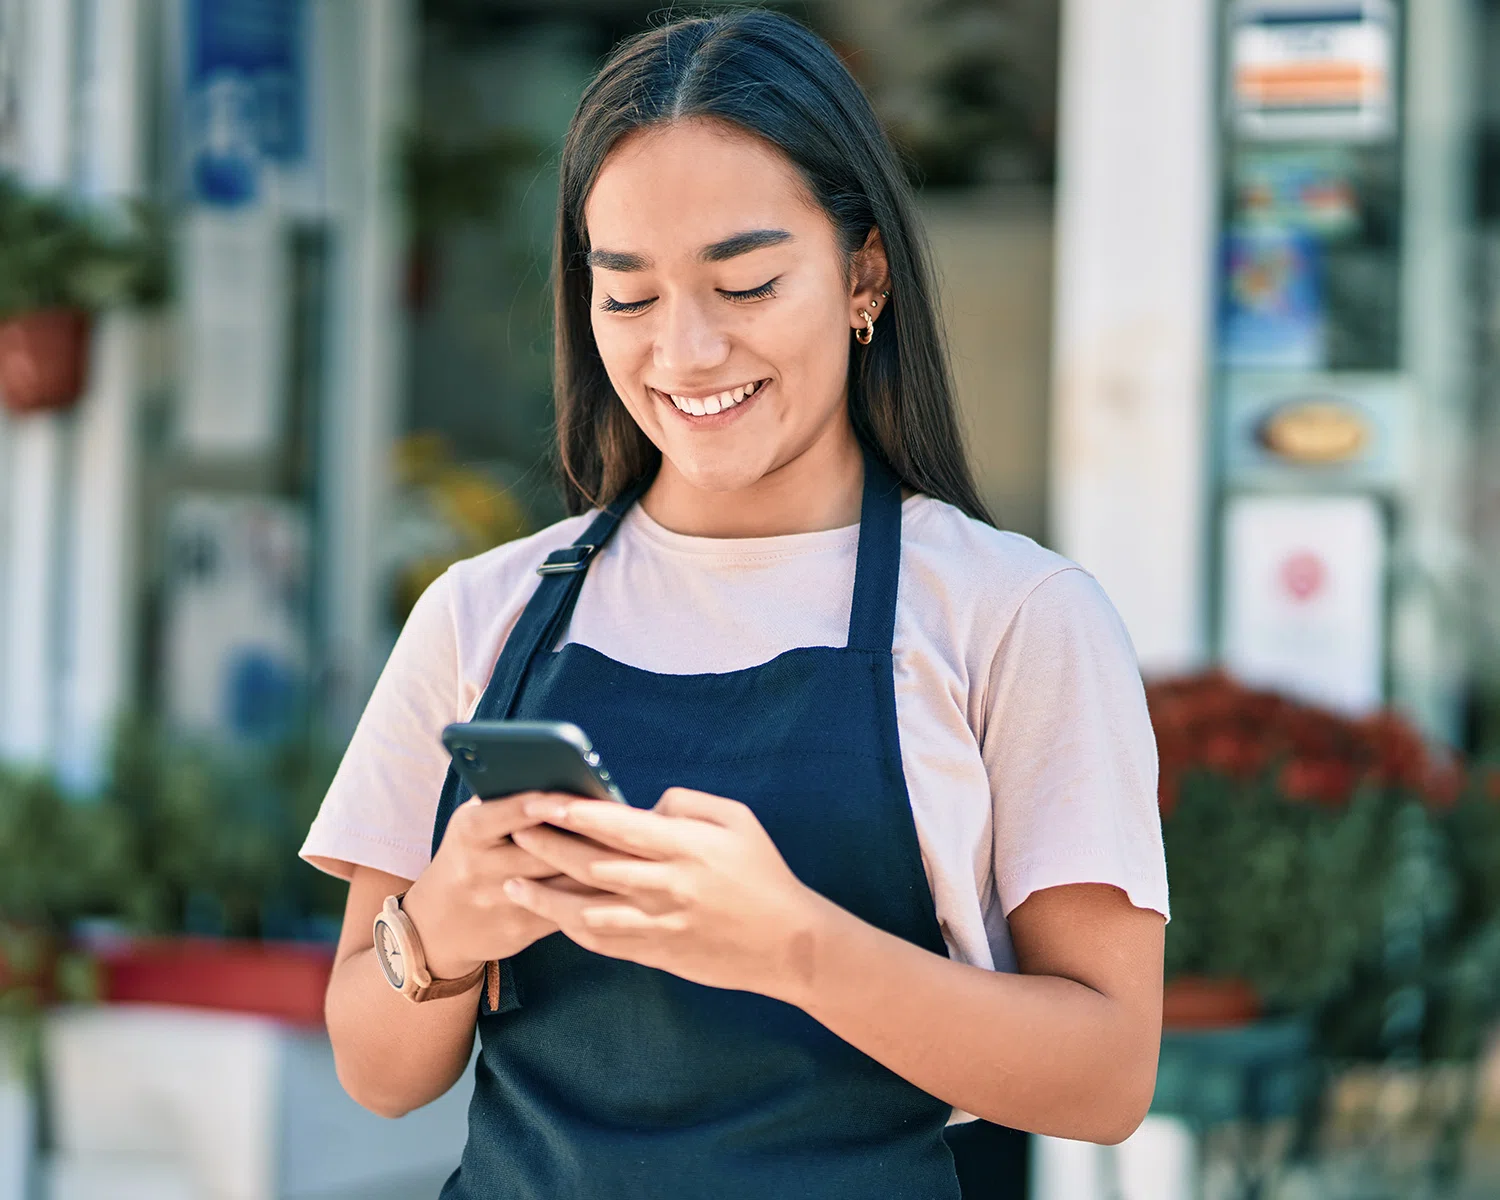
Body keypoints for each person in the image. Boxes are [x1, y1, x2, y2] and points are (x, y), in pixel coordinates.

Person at [301, 10, 1168, 1199]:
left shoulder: (1015, 617)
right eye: (629, 296)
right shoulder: (483, 613)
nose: (686, 351)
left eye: (745, 282)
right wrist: (445, 924)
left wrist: (794, 948)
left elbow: (1109, 1075)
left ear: (863, 275)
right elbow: (377, 1071)